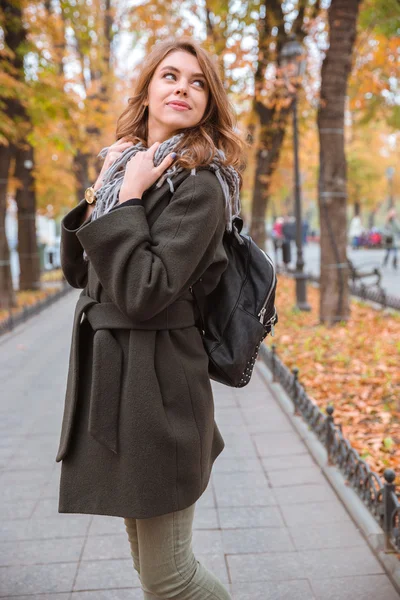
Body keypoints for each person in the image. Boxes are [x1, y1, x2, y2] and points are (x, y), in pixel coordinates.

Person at [55, 37, 248, 599]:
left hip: (158, 385)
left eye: (198, 82)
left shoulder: (202, 185)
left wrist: (132, 199)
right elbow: (77, 270)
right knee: (150, 569)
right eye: (170, 76)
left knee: (170, 576)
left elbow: (144, 290)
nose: (183, 88)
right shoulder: (128, 167)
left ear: (210, 102)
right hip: (117, 385)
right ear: (148, 91)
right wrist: (104, 191)